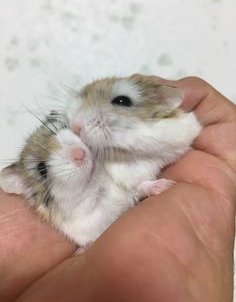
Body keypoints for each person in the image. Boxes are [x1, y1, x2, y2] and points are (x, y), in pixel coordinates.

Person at [0, 76, 235, 302]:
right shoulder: (67, 220)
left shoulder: (117, 162)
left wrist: (143, 187)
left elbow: (128, 188)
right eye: (42, 169)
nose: (79, 151)